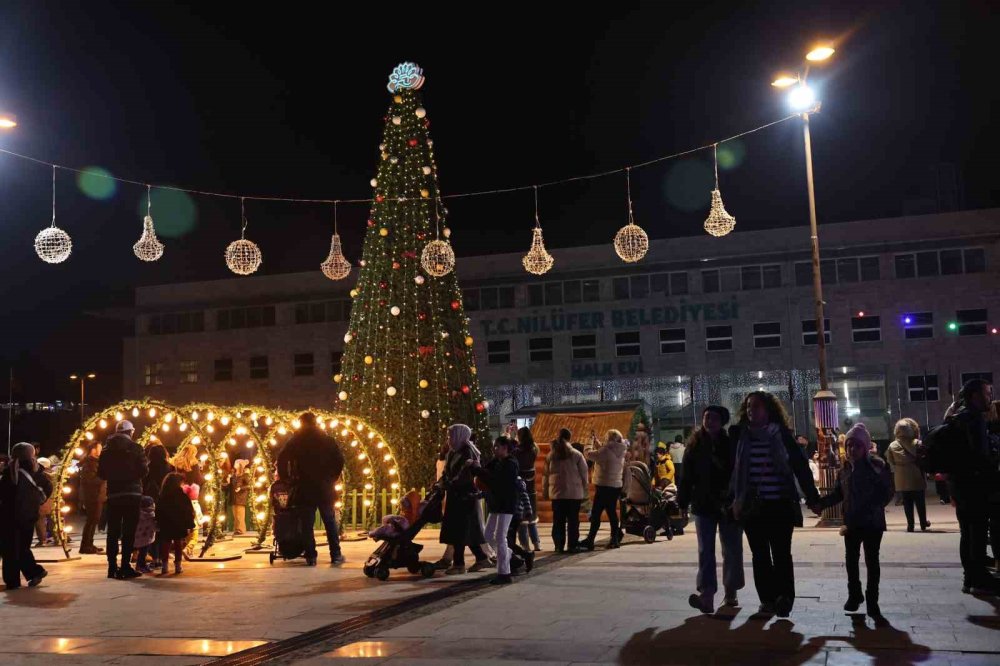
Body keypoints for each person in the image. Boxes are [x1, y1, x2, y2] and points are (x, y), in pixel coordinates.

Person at [730, 391, 819, 618]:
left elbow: (800, 467)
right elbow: (730, 471)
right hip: (752, 507)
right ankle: (767, 600)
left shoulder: (782, 435)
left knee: (781, 554)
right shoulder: (740, 436)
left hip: (779, 505)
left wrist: (812, 497)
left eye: (757, 406)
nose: (752, 410)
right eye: (749, 406)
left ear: (768, 410)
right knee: (759, 555)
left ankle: (785, 598)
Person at [813, 424, 893, 623]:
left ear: (865, 447)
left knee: (871, 561)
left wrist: (872, 508)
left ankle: (873, 602)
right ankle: (855, 594)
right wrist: (821, 504)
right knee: (851, 560)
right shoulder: (845, 469)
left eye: (856, 446)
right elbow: (839, 494)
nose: (851, 450)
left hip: (872, 523)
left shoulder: (877, 466)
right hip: (851, 523)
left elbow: (887, 492)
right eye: (849, 446)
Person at [677, 406, 742, 614]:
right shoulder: (695, 445)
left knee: (731, 548)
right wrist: (682, 503)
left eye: (714, 418)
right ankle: (707, 595)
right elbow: (685, 477)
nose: (709, 421)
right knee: (705, 550)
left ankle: (730, 592)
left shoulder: (730, 443)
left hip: (728, 504)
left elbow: (738, 471)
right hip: (703, 504)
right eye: (706, 417)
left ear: (722, 421)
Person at [944, 379, 1000, 595]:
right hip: (975, 486)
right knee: (976, 533)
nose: (989, 397)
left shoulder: (957, 418)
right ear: (975, 396)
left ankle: (969, 578)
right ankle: (978, 578)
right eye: (987, 393)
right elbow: (980, 456)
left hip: (960, 485)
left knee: (966, 533)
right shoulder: (974, 419)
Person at [276, 412, 346, 565]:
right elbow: (340, 460)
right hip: (324, 487)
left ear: (302, 423)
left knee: (307, 524)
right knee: (329, 521)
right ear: (315, 422)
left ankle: (311, 556)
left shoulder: (296, 440)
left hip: (304, 486)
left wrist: (285, 478)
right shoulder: (327, 440)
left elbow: (282, 457)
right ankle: (335, 554)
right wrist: (332, 477)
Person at [438, 423, 490, 574]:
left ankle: (459, 564)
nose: (448, 439)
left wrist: (450, 483)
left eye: (450, 436)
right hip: (455, 496)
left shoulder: (468, 453)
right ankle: (481, 558)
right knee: (464, 531)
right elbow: (447, 472)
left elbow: (465, 475)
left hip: (465, 497)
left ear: (459, 436)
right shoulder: (453, 452)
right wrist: (441, 483)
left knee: (461, 530)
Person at [99, 420, 148, 579]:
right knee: (129, 532)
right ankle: (125, 566)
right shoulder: (136, 448)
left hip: (113, 494)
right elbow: (143, 470)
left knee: (112, 532)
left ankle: (112, 567)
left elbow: (101, 473)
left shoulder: (106, 450)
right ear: (130, 432)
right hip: (132, 494)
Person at [0, 442, 52, 589]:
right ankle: (34, 572)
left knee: (10, 549)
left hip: (10, 515)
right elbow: (47, 488)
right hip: (28, 515)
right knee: (22, 547)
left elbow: (4, 493)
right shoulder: (36, 471)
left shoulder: (10, 472)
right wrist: (37, 502)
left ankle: (14, 580)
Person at [470, 436, 520, 584]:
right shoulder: (496, 461)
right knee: (487, 535)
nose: (494, 449)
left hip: (506, 504)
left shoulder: (511, 464)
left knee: (500, 536)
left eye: (497, 446)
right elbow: (485, 473)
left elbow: (496, 481)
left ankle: (504, 573)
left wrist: (478, 470)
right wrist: (476, 467)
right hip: (495, 503)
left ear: (505, 448)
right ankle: (512, 558)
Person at [543, 429, 590, 553]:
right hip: (574, 494)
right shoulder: (576, 455)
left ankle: (559, 545)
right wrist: (584, 486)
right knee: (573, 521)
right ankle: (572, 545)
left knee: (558, 521)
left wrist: (546, 491)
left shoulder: (551, 455)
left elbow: (546, 475)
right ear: (569, 438)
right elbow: (584, 473)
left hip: (557, 494)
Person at [580, 429, 627, 551]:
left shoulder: (606, 451)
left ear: (609, 438)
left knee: (596, 514)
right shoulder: (620, 450)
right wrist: (598, 443)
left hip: (604, 486)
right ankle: (614, 538)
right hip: (615, 486)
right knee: (611, 513)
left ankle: (591, 540)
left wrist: (589, 441)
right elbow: (605, 453)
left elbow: (589, 454)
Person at [885, 418, 930, 532]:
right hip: (916, 477)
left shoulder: (892, 445)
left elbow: (890, 461)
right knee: (920, 502)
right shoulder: (917, 443)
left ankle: (910, 525)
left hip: (901, 479)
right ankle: (923, 523)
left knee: (907, 503)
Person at [157, 473, 196, 575]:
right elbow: (188, 510)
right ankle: (178, 566)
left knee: (165, 544)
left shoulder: (162, 496)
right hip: (178, 523)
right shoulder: (182, 496)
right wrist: (190, 524)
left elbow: (158, 510)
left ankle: (164, 566)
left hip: (166, 523)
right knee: (178, 544)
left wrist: (158, 522)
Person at [515, 426, 542, 552]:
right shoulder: (534, 449)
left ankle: (525, 545)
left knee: (522, 520)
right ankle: (537, 543)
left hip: (520, 487)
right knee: (531, 517)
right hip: (531, 489)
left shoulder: (517, 451)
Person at [78, 440, 106, 555]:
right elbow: (90, 480)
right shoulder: (90, 463)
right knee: (91, 520)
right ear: (93, 450)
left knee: (94, 520)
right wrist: (104, 478)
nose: (101, 450)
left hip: (97, 495)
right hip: (92, 496)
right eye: (99, 448)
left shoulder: (95, 462)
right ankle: (85, 546)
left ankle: (89, 544)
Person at [33, 457, 55, 547]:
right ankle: (57, 537)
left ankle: (42, 540)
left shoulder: (40, 475)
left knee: (40, 520)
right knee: (53, 520)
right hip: (53, 500)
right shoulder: (55, 474)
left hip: (43, 500)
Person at [133, 495, 157, 573]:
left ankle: (139, 565)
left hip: (138, 536)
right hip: (147, 537)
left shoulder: (138, 514)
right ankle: (141, 566)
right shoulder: (152, 515)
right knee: (143, 553)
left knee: (141, 553)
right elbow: (155, 526)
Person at [230, 459, 251, 535]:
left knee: (240, 514)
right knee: (235, 515)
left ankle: (241, 529)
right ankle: (236, 529)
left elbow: (249, 485)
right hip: (234, 497)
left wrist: (240, 488)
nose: (234, 464)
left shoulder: (245, 475)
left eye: (236, 463)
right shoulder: (234, 475)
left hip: (241, 497)